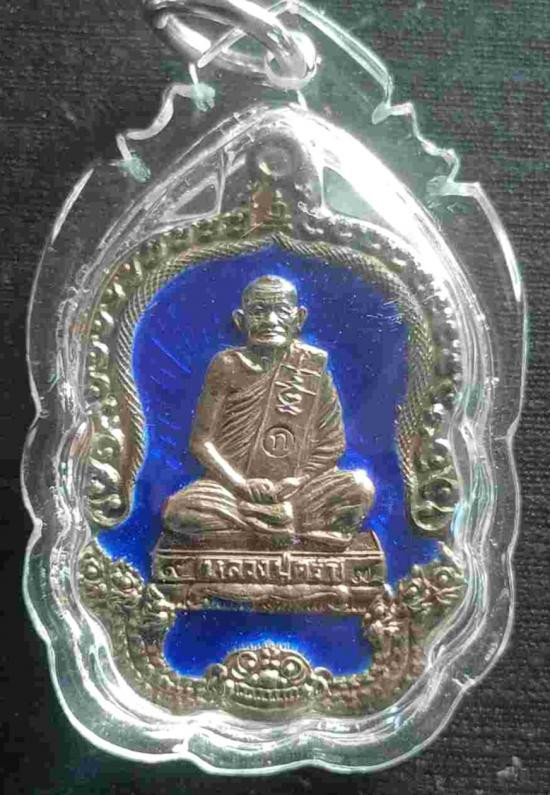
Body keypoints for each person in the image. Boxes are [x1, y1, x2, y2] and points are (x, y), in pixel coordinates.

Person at [161, 274, 375, 551]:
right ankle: (286, 529)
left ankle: (265, 526)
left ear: (298, 319)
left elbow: (332, 444)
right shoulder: (227, 366)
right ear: (241, 320)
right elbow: (201, 442)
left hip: (296, 494)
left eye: (281, 311)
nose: (270, 321)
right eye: (259, 311)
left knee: (359, 487)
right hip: (232, 493)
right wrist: (240, 484)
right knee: (178, 511)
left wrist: (298, 481)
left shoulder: (311, 368)